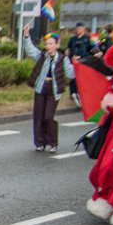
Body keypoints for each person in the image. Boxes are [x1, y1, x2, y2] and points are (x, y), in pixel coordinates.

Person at [22, 23, 76, 152]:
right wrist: (26, 35)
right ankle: (40, 143)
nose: (48, 46)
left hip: (54, 90)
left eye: (51, 44)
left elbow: (70, 73)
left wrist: (76, 64)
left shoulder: (62, 59)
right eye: (46, 44)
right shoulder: (42, 56)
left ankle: (52, 143)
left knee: (48, 116)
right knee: (38, 116)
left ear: (57, 45)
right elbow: (30, 50)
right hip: (41, 87)